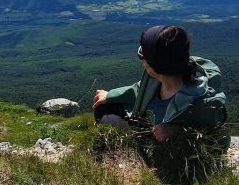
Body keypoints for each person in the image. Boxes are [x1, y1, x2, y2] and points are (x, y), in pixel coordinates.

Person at [92, 25, 227, 142]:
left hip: (165, 139)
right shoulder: (163, 75)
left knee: (106, 116)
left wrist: (176, 131)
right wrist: (110, 95)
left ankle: (140, 144)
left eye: (142, 54)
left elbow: (218, 131)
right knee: (103, 108)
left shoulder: (199, 101)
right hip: (150, 123)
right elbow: (140, 89)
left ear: (154, 66)